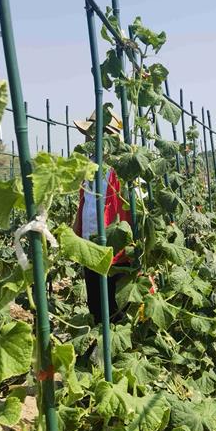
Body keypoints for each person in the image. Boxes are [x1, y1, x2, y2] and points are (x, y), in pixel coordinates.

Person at [72, 109, 132, 324]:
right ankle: (100, 336)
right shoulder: (89, 167)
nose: (88, 140)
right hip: (91, 248)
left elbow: (134, 209)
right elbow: (84, 203)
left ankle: (115, 340)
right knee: (96, 306)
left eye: (92, 134)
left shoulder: (123, 168)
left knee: (117, 310)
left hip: (117, 253)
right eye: (88, 135)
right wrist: (75, 235)